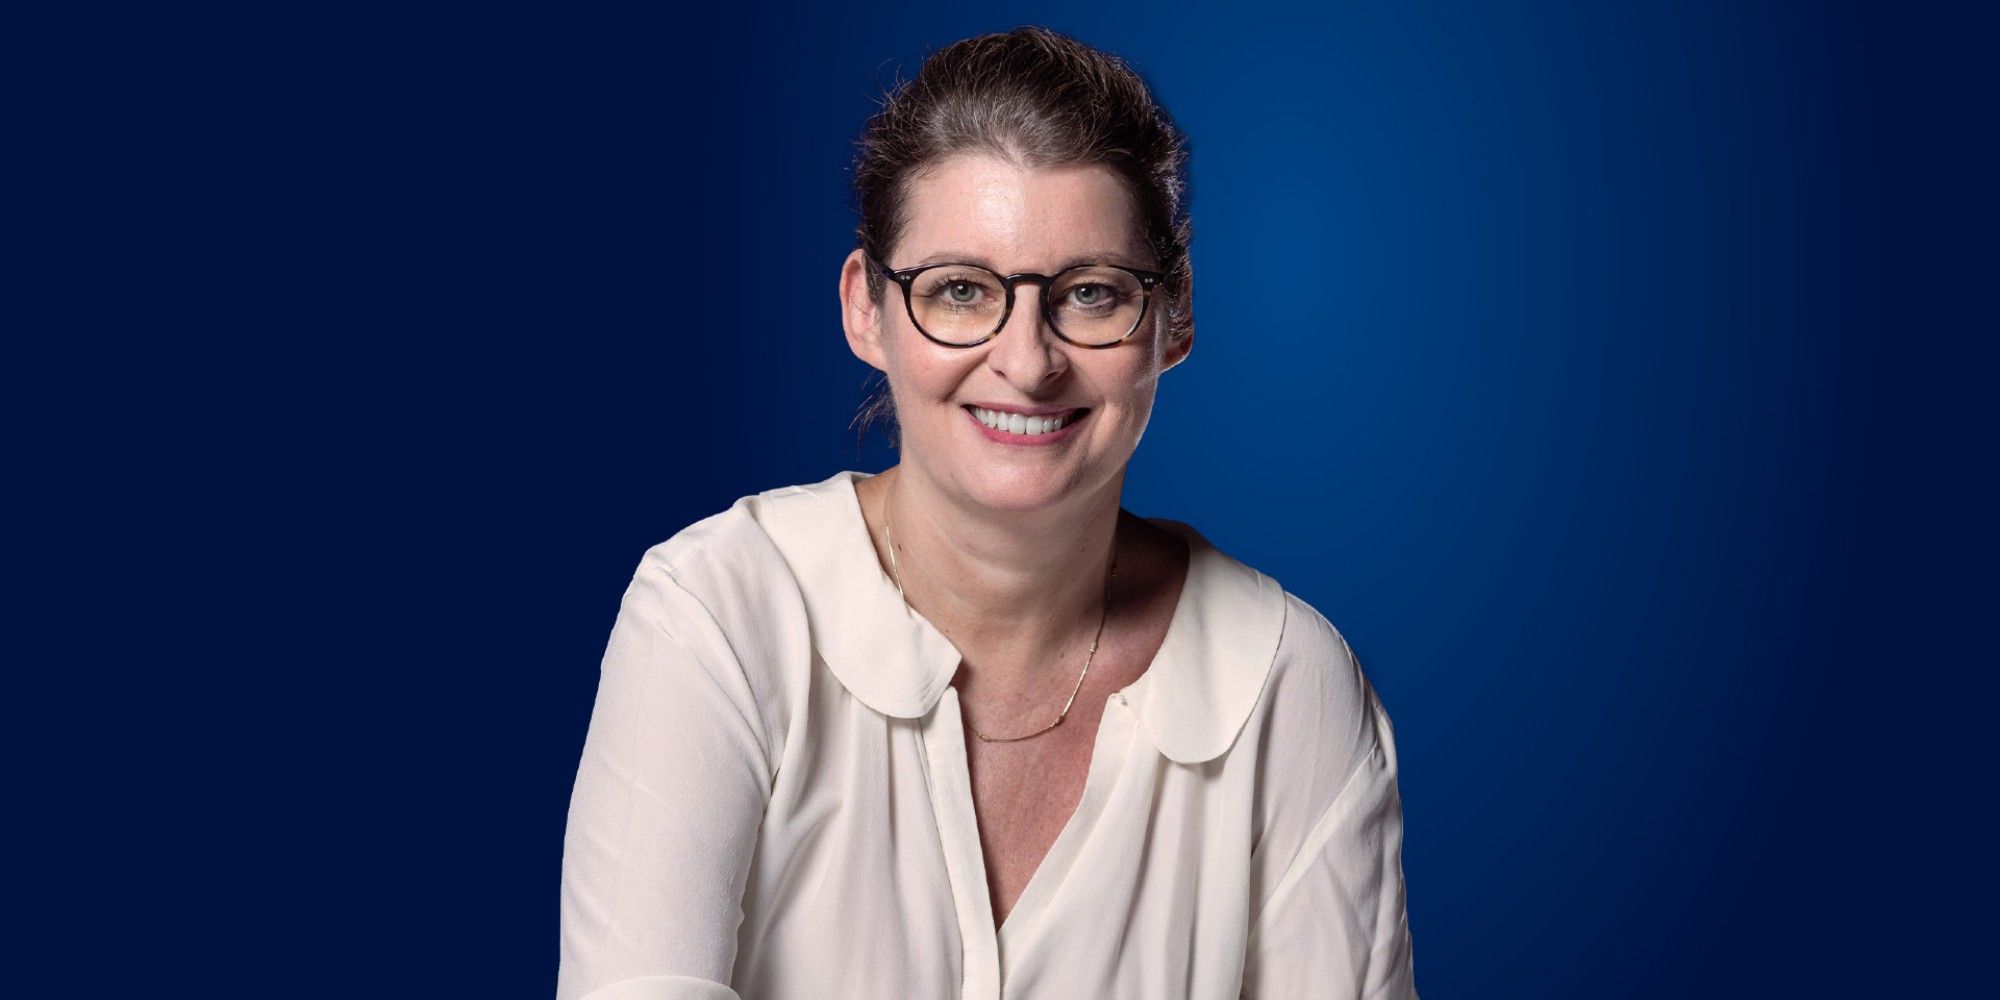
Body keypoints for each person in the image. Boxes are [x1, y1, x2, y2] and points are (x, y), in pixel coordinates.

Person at [557, 26, 1418, 1000]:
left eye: (1089, 294)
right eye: (961, 290)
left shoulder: (1290, 687)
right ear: (866, 309)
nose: (1027, 360)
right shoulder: (717, 617)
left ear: (1172, 317)